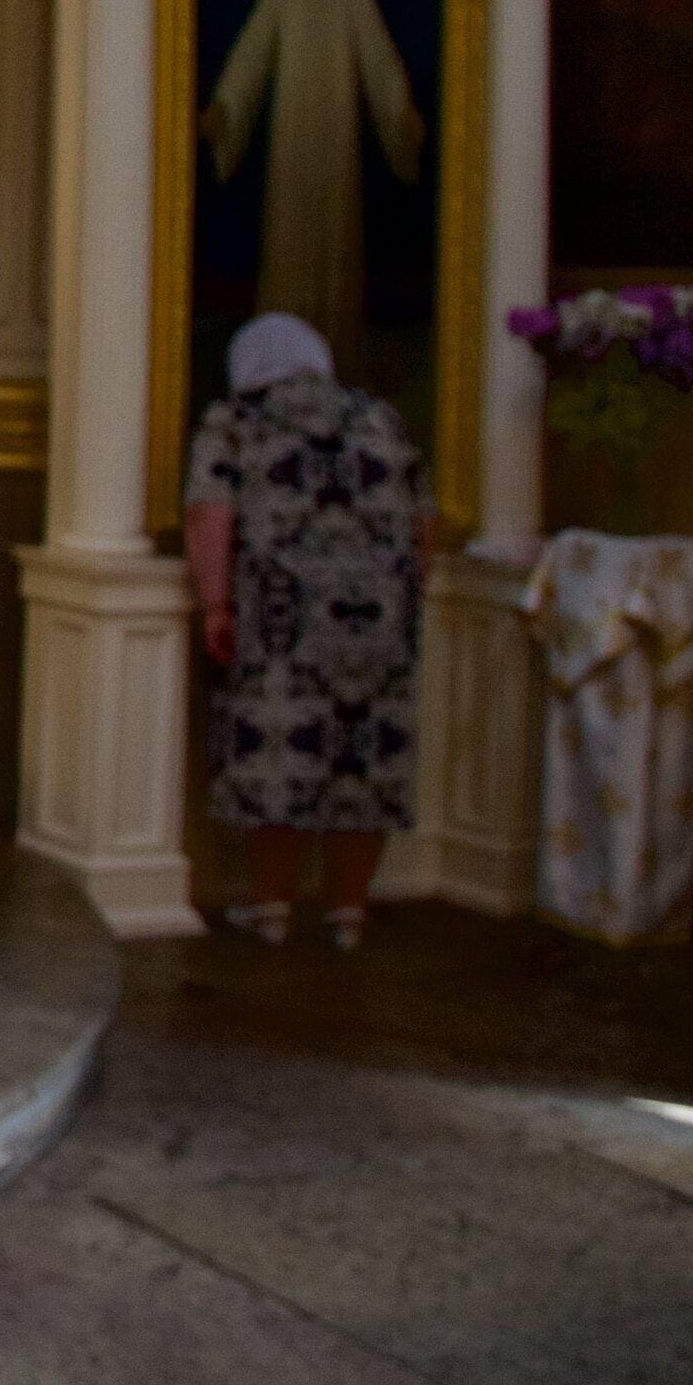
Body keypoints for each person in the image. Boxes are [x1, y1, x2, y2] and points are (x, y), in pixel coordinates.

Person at [184, 312, 426, 948]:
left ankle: (272, 911)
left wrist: (215, 602)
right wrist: (399, 599)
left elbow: (210, 515)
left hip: (280, 621)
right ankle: (348, 912)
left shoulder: (235, 421)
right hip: (378, 623)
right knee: (363, 763)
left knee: (280, 759)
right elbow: (423, 523)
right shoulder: (380, 417)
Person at [204, 0, 422, 373]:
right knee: (288, 246)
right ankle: (279, 363)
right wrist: (227, 106)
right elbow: (249, 60)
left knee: (336, 245)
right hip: (291, 143)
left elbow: (382, 67)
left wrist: (400, 112)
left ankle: (334, 359)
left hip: (337, 144)